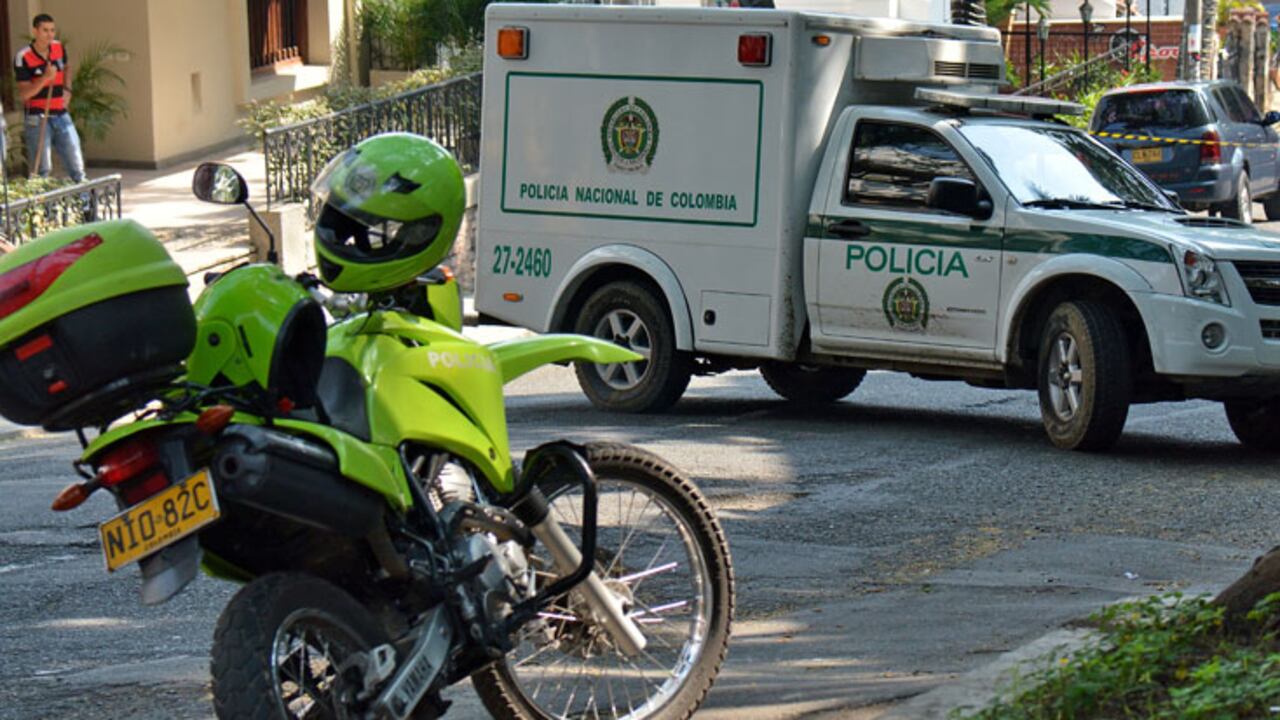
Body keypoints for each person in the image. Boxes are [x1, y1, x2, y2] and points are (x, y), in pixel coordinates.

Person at [15, 13, 85, 183]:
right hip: (37, 116)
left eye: (52, 30)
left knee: (76, 162)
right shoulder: (23, 56)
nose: (50, 35)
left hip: (60, 112)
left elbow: (67, 67)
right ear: (35, 31)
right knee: (42, 167)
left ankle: (86, 205)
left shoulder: (58, 48)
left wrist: (68, 89)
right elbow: (24, 94)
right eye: (45, 30)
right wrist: (45, 78)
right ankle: (43, 208)